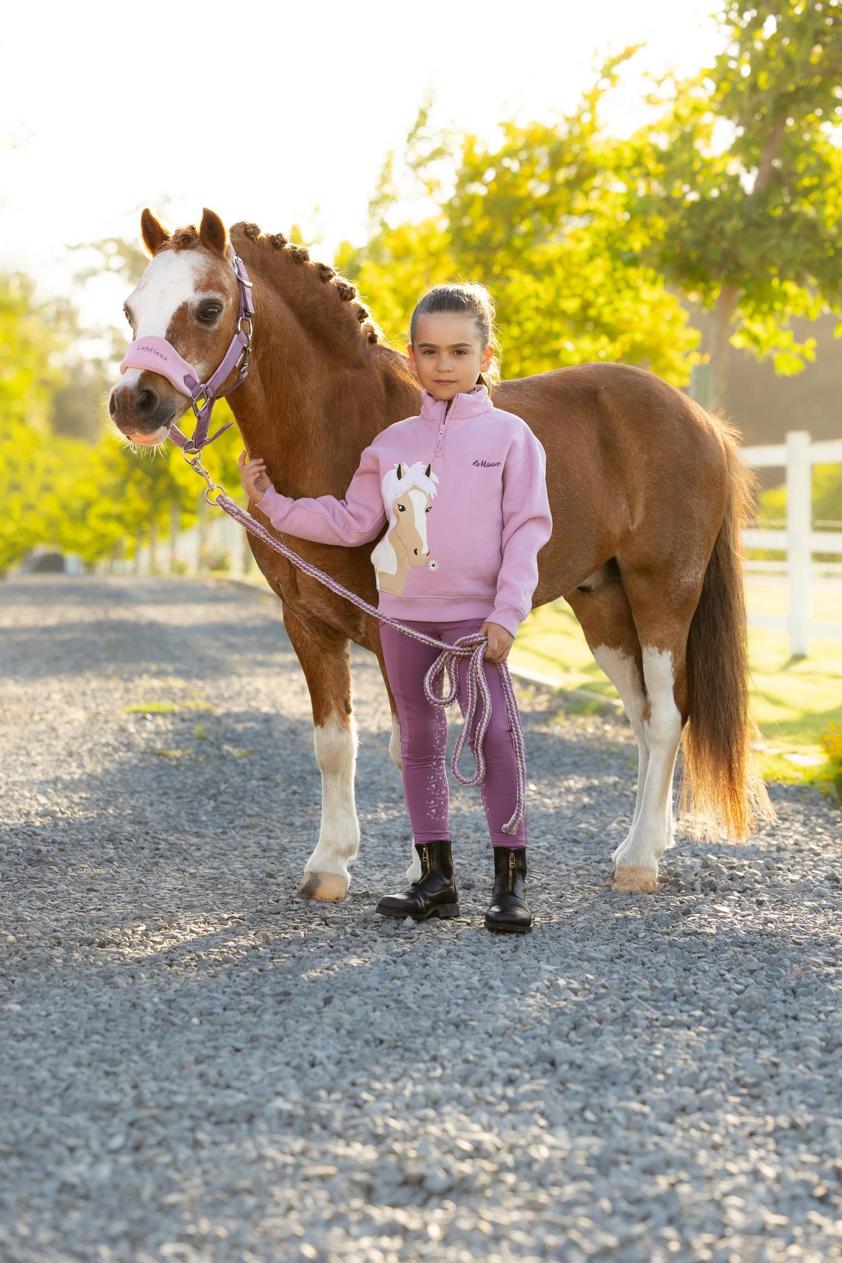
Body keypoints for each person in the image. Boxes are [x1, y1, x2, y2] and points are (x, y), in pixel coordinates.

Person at [238, 282, 552, 933]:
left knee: (494, 736)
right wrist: (268, 502)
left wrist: (506, 614)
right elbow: (352, 521)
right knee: (417, 741)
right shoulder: (391, 444)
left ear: (487, 356)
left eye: (459, 350)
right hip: (405, 617)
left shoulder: (512, 437)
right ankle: (436, 878)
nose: (443, 364)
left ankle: (510, 880)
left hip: (475, 623)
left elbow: (527, 530)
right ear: (410, 358)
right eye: (430, 351)